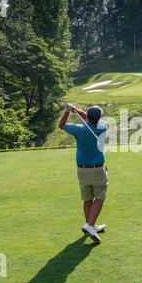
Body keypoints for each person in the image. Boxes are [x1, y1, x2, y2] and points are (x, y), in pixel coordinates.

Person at [59, 104, 108, 243]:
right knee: (99, 198)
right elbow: (88, 117)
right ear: (99, 118)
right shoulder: (102, 126)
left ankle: (90, 225)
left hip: (82, 170)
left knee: (88, 199)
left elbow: (61, 125)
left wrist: (69, 110)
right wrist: (76, 110)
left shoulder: (79, 129)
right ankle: (90, 225)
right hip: (98, 169)